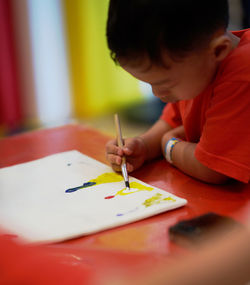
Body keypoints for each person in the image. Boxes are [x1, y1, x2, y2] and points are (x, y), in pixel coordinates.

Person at [105, 0, 250, 184]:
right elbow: (171, 122)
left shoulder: (242, 75)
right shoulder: (199, 67)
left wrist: (168, 144)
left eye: (165, 84)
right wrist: (142, 146)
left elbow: (212, 168)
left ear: (218, 50)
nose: (157, 94)